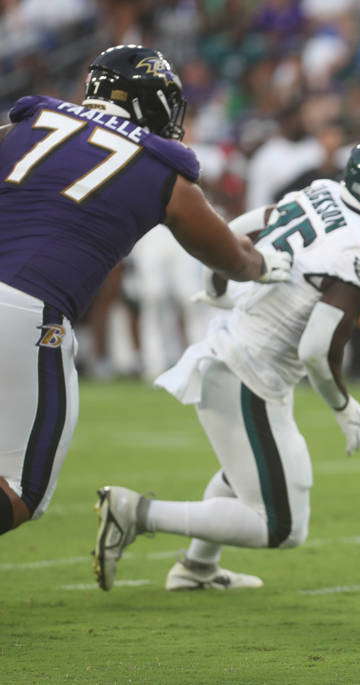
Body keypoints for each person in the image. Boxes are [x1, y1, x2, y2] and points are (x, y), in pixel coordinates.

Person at [91, 137, 360, 591]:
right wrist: (342, 405)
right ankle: (134, 512)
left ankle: (196, 569)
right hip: (248, 374)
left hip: (238, 358)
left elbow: (237, 230)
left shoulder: (325, 193)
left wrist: (217, 283)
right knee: (281, 526)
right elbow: (317, 348)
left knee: (247, 476)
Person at [0, 45, 291, 538]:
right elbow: (231, 257)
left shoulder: (22, 126)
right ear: (148, 101)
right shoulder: (160, 168)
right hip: (28, 310)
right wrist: (269, 265)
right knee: (21, 490)